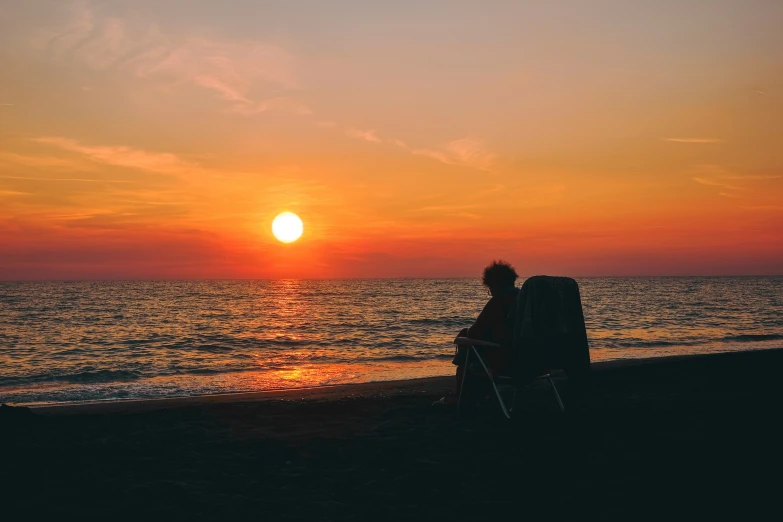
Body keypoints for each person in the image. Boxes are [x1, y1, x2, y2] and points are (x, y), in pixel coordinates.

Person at [445, 260, 520, 404]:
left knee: (465, 337)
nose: (490, 293)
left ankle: (462, 397)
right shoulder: (527, 302)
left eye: (490, 288)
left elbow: (475, 333)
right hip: (531, 363)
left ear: (494, 284)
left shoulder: (499, 302)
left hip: (505, 363)